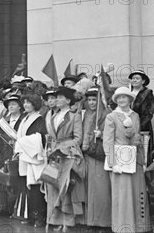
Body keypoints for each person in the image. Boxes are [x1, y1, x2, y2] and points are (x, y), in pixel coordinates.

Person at [103, 86, 152, 233]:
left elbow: (138, 137)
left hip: (134, 158)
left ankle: (139, 226)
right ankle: (123, 228)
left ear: (130, 99)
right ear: (116, 100)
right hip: (119, 160)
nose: (122, 100)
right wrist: (112, 163)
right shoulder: (111, 117)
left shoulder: (135, 115)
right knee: (123, 194)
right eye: (119, 98)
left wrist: (142, 160)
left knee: (138, 192)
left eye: (125, 97)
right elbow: (108, 141)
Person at [44, 86, 86, 230]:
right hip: (54, 155)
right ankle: (54, 220)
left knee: (66, 189)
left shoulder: (74, 116)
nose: (57, 100)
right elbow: (51, 136)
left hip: (68, 155)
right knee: (53, 186)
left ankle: (67, 222)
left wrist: (63, 148)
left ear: (68, 100)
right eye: (56, 97)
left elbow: (78, 138)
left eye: (60, 97)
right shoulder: (52, 116)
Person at [12, 92, 47, 227]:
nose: (25, 105)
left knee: (36, 187)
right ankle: (31, 215)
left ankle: (40, 217)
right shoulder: (25, 118)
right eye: (24, 102)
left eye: (28, 102)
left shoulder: (39, 119)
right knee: (27, 188)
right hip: (25, 157)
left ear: (35, 105)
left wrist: (21, 142)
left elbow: (40, 137)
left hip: (34, 158)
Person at [82, 87, 111, 230]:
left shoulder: (105, 114)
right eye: (89, 100)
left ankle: (103, 221)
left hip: (99, 154)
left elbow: (112, 133)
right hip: (87, 154)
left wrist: (101, 134)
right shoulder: (86, 113)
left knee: (101, 188)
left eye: (94, 99)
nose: (92, 103)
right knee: (89, 189)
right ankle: (91, 220)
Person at [128, 70, 154, 164]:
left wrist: (138, 126)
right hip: (127, 128)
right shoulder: (128, 92)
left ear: (143, 81)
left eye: (137, 78)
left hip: (143, 128)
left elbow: (149, 113)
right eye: (133, 78)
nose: (134, 80)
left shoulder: (147, 93)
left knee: (143, 153)